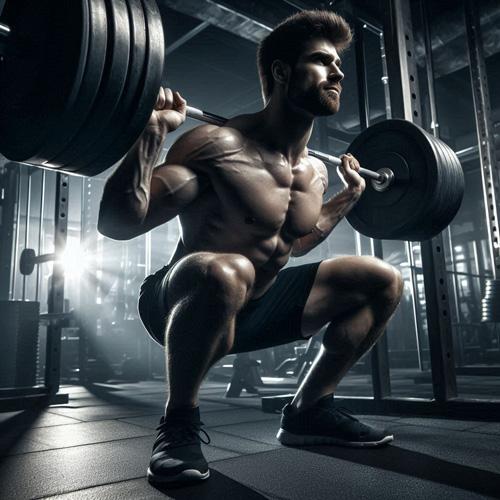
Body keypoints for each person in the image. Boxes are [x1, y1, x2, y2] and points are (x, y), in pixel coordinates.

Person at [98, 10, 403, 485]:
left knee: (381, 280)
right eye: (323, 61)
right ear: (282, 72)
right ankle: (178, 424)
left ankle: (308, 411)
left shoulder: (315, 173)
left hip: (257, 306)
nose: (338, 72)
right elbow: (119, 224)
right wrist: (152, 133)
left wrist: (351, 196)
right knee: (227, 270)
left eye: (338, 63)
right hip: (179, 301)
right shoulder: (216, 146)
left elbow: (297, 242)